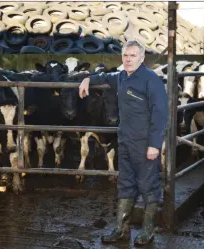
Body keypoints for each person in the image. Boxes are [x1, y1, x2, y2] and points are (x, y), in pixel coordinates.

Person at [78, 40, 168, 245]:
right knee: (125, 184)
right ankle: (121, 229)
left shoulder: (151, 80)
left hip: (145, 142)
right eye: (125, 56)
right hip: (125, 140)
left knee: (148, 185)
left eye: (133, 56)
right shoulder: (121, 77)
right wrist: (88, 79)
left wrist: (154, 144)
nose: (128, 60)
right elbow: (105, 77)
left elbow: (160, 113)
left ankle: (148, 231)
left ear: (142, 58)